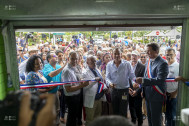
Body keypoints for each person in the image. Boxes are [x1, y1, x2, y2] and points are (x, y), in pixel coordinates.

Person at [136, 43, 169, 126]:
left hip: (156, 95)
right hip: (147, 94)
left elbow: (160, 80)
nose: (147, 53)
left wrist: (143, 80)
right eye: (147, 51)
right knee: (150, 118)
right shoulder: (148, 61)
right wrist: (142, 89)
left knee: (156, 120)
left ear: (156, 51)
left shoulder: (163, 63)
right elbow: (145, 75)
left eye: (149, 51)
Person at [61, 51, 89, 126]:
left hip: (78, 95)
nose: (75, 61)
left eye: (76, 59)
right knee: (71, 118)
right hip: (71, 97)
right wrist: (82, 85)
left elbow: (78, 80)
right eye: (72, 59)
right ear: (68, 58)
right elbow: (68, 89)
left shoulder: (76, 67)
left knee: (77, 116)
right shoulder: (66, 71)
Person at [106, 48, 135, 116]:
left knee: (123, 110)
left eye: (118, 54)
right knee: (115, 111)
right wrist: (109, 83)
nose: (116, 55)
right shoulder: (109, 65)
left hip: (124, 91)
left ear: (121, 54)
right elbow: (107, 78)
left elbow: (132, 76)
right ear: (112, 55)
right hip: (114, 91)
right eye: (115, 54)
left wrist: (134, 83)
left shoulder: (127, 64)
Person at [82, 55, 107, 125]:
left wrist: (104, 88)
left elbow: (101, 81)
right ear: (87, 62)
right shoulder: (84, 72)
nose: (94, 63)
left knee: (97, 118)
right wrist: (93, 80)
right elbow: (84, 86)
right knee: (90, 119)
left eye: (95, 61)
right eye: (92, 62)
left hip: (99, 98)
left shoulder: (97, 70)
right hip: (91, 99)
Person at [128, 50, 145, 126]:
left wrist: (137, 91)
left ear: (138, 57)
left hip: (138, 91)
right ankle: (133, 120)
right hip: (129, 90)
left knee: (138, 108)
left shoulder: (142, 67)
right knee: (131, 107)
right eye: (132, 55)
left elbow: (144, 81)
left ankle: (140, 122)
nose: (133, 57)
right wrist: (128, 88)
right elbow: (126, 78)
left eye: (135, 56)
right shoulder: (128, 66)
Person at [165, 48, 179, 126]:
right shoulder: (164, 66)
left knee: (174, 117)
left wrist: (175, 93)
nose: (169, 56)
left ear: (174, 55)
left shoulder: (178, 66)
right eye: (167, 54)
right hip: (165, 95)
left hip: (174, 95)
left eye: (171, 54)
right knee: (167, 116)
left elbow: (180, 81)